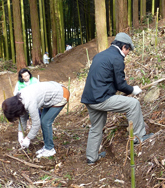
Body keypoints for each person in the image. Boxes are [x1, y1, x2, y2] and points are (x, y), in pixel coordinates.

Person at [81, 32, 154, 165]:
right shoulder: (117, 58)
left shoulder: (101, 55)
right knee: (133, 104)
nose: (127, 54)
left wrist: (119, 84)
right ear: (124, 47)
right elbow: (120, 85)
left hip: (89, 98)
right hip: (101, 99)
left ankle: (91, 157)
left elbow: (104, 78)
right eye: (128, 51)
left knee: (97, 126)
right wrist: (133, 90)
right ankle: (139, 137)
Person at [2, 81, 70, 158]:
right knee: (43, 121)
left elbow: (36, 124)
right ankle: (47, 146)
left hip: (61, 95)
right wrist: (20, 133)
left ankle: (50, 149)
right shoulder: (19, 101)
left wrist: (28, 138)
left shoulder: (30, 103)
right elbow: (23, 117)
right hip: (52, 95)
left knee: (45, 122)